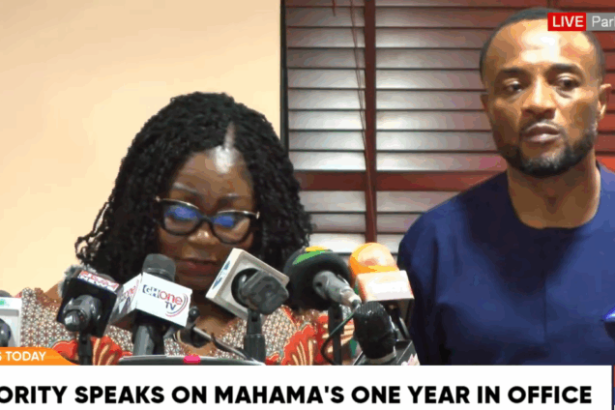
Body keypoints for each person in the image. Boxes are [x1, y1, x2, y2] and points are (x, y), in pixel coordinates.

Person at [18, 92, 353, 365]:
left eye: (229, 220)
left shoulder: (310, 331)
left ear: (262, 223)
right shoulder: (76, 313)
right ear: (145, 210)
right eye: (180, 213)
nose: (203, 238)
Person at [398, 8, 613, 364]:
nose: (538, 103)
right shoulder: (433, 245)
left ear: (601, 102)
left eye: (565, 83)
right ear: (488, 108)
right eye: (514, 87)